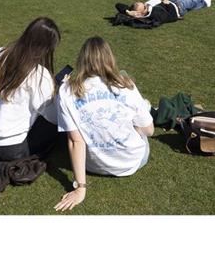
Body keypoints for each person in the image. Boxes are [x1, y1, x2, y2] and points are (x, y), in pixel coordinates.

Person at [54, 37, 154, 211]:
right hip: (132, 161)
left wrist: (81, 189)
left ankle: (142, 107)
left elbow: (75, 141)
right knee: (140, 115)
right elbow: (149, 130)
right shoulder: (125, 84)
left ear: (82, 60)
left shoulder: (66, 91)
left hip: (91, 164)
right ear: (109, 59)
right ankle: (144, 106)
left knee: (74, 132)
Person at [0, 17, 62, 161]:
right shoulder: (40, 75)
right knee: (55, 126)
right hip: (11, 149)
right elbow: (52, 116)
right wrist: (58, 95)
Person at [126, 0, 213, 23]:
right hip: (178, 6)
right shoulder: (151, 14)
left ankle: (204, 1)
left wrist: (129, 12)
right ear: (141, 13)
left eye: (143, 3)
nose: (146, 4)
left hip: (174, 2)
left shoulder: (147, 8)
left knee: (193, 4)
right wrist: (134, 15)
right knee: (193, 0)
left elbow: (120, 6)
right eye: (144, 7)